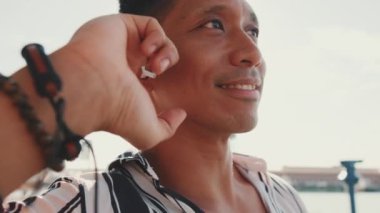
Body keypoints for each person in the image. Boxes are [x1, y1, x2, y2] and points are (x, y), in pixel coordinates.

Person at [0, 0, 307, 212]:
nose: (252, 53)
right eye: (214, 24)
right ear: (149, 56)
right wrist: (84, 77)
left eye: (252, 31)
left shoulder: (283, 196)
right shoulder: (91, 205)